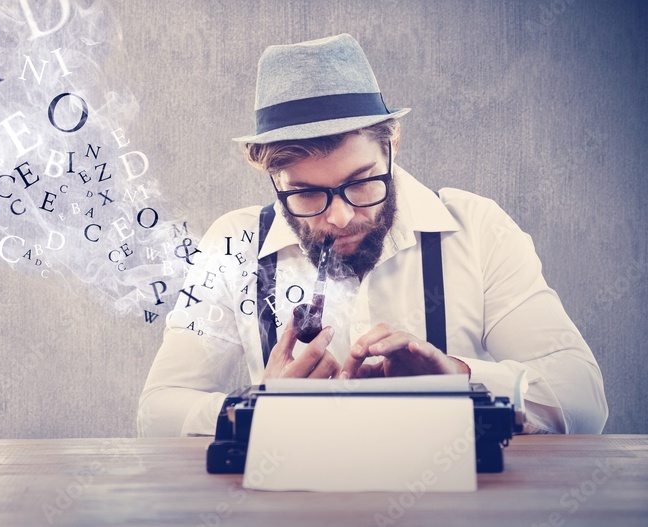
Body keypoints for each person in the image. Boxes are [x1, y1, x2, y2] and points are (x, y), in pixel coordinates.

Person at [138, 34, 608, 437]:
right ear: (271, 178)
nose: (339, 217)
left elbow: (583, 400)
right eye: (305, 193)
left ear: (392, 144)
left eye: (361, 182)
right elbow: (157, 410)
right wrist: (257, 411)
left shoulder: (479, 229)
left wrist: (461, 380)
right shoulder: (233, 245)